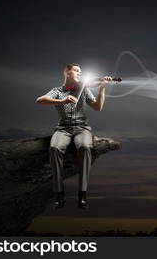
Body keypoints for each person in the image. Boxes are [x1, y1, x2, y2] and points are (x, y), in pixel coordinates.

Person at [35, 63, 111, 209]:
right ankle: (59, 194)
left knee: (85, 147)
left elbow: (98, 107)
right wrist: (62, 100)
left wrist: (102, 89)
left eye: (81, 72)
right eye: (76, 71)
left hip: (82, 128)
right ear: (66, 72)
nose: (79, 74)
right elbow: (39, 100)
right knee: (54, 148)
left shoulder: (84, 89)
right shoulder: (57, 91)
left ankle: (82, 194)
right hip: (62, 129)